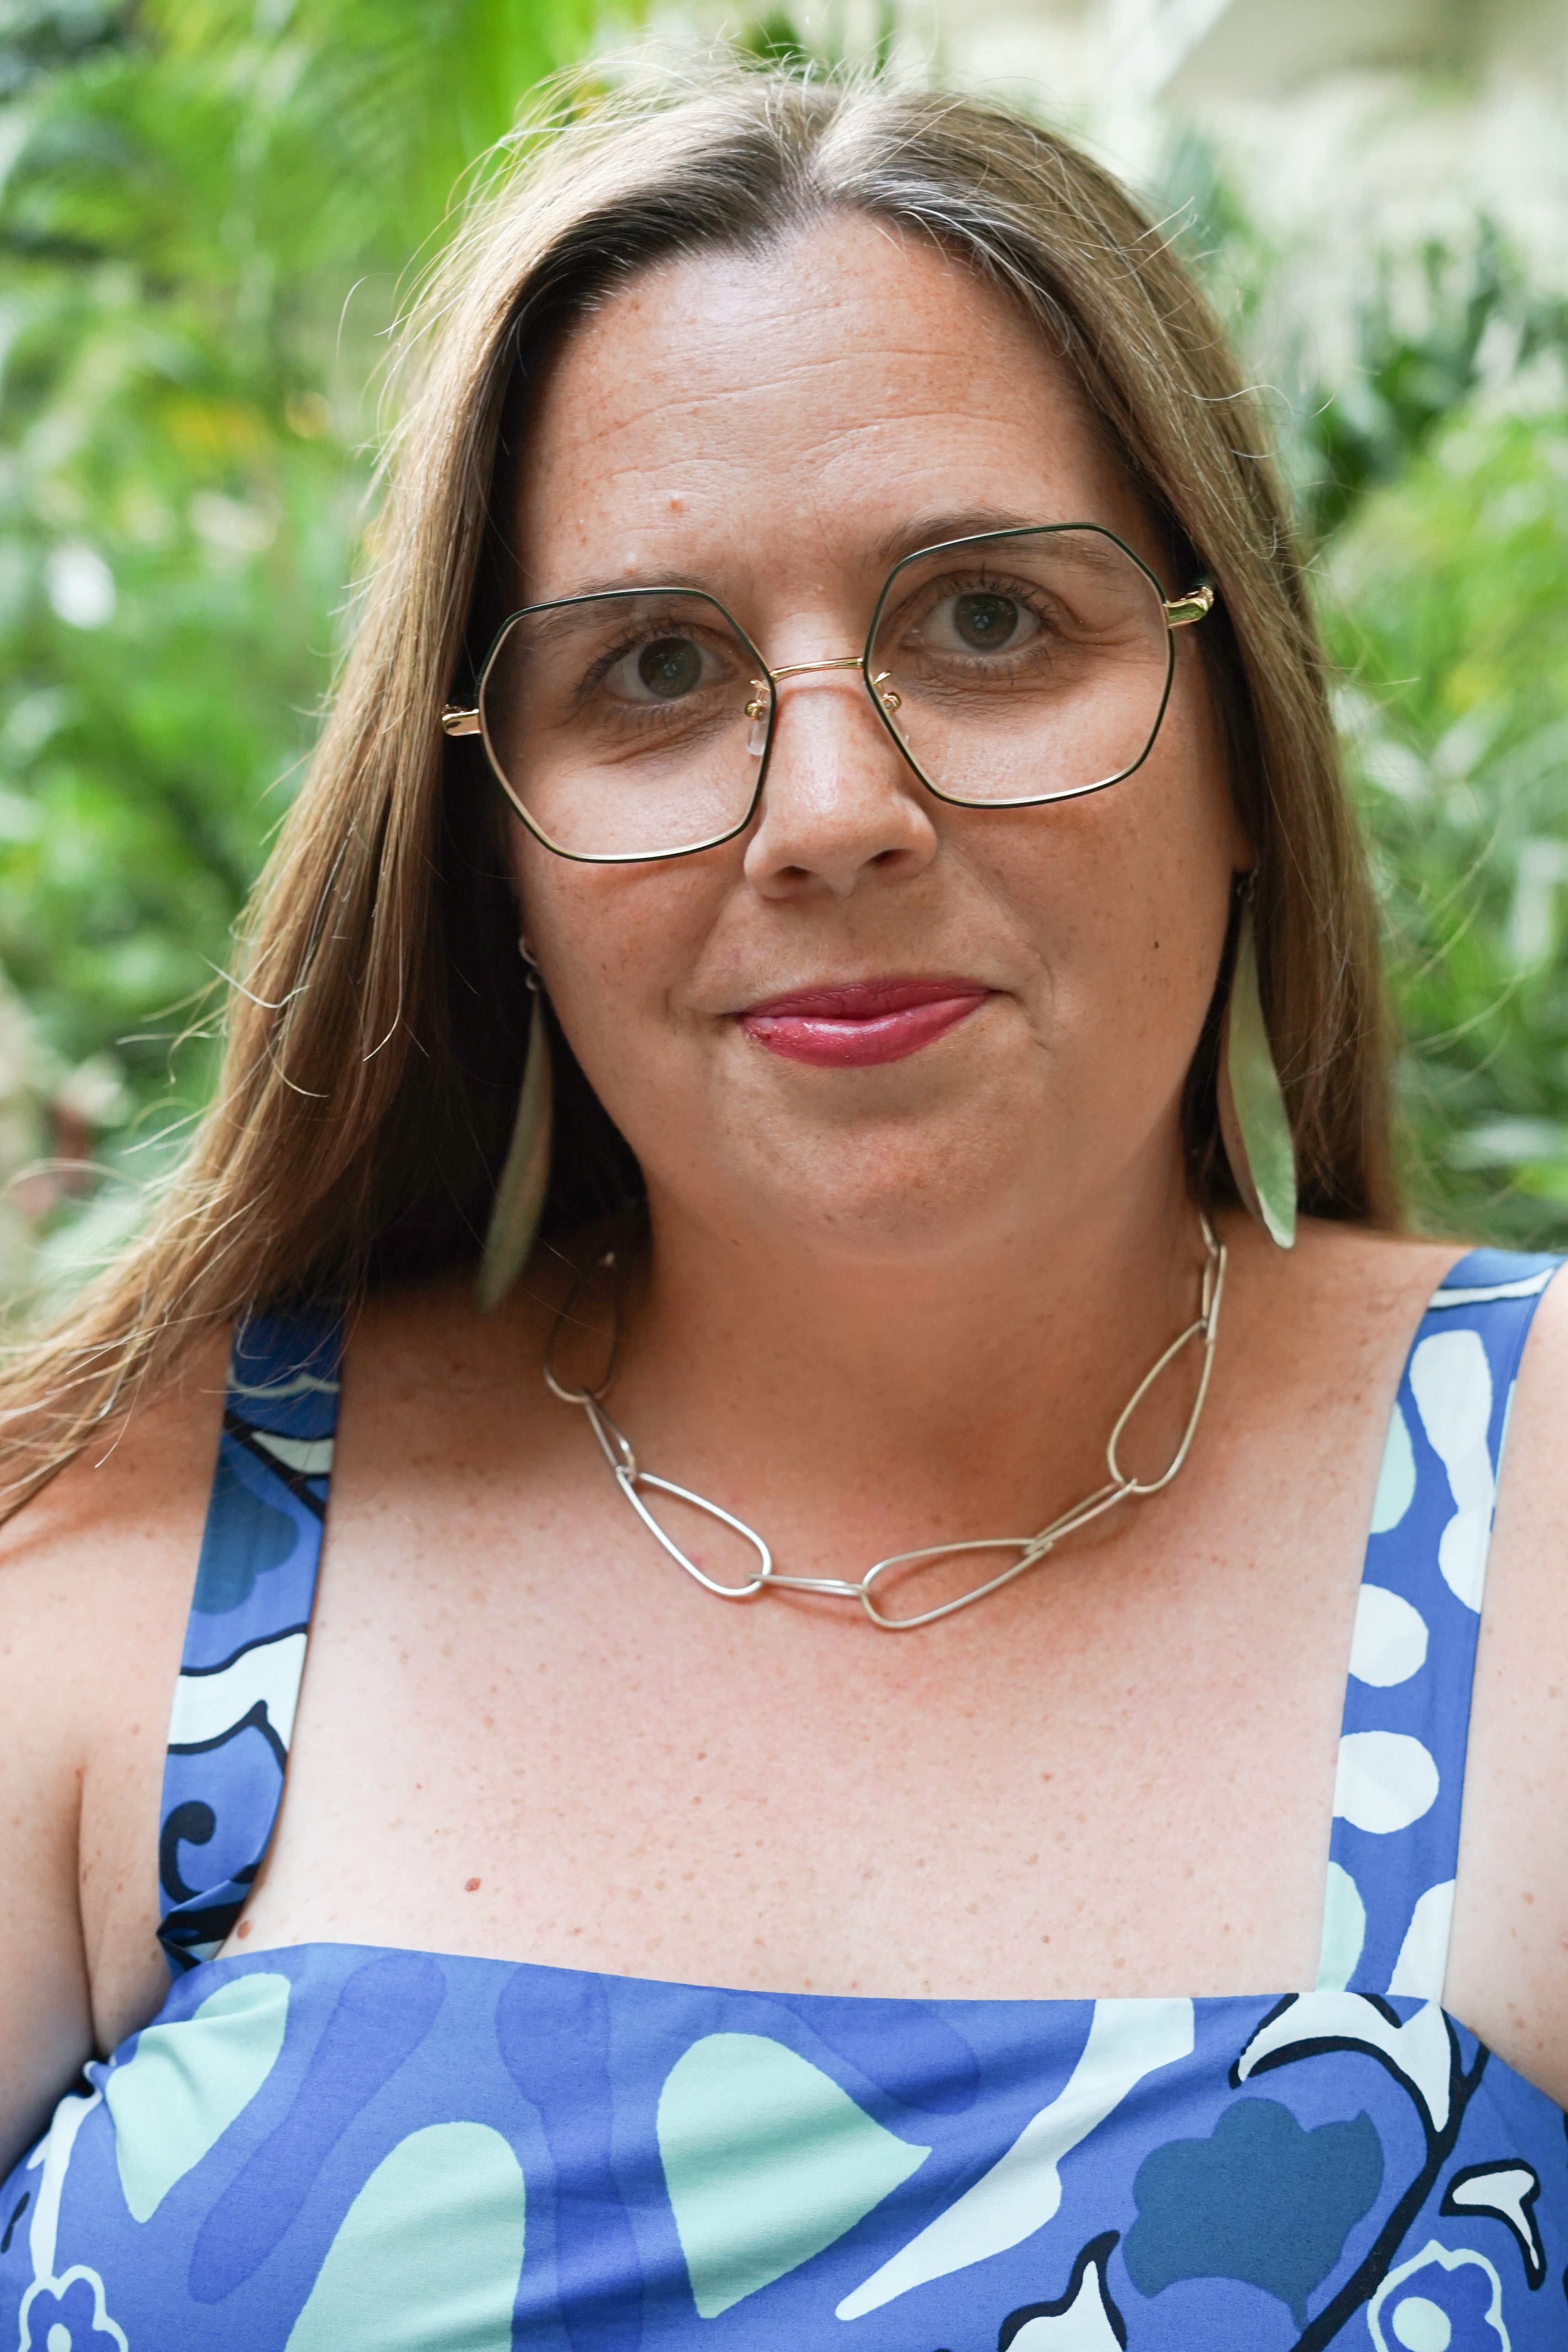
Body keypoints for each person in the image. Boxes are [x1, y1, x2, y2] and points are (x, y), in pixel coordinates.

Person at [0, 63, 1563, 2352]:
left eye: (992, 621)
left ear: (1245, 732)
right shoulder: (132, 1554)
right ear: (492, 850)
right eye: (650, 670)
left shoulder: (1542, 1523)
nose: (832, 810)